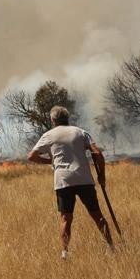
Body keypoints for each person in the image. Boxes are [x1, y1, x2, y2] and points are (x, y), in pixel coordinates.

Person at [27, 106, 113, 260]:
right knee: (97, 214)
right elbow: (98, 154)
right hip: (84, 178)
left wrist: (50, 161)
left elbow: (31, 156)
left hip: (63, 180)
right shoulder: (80, 132)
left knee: (66, 218)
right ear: (67, 118)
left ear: (53, 120)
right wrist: (102, 177)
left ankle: (65, 253)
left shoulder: (48, 135)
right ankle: (111, 247)